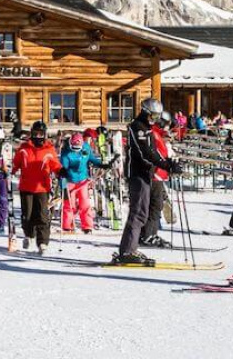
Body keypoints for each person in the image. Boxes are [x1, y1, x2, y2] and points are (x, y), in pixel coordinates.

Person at [114, 99, 181, 266]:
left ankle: (130, 248)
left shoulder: (148, 128)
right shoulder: (138, 127)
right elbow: (145, 153)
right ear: (145, 112)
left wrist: (169, 163)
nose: (155, 118)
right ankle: (127, 251)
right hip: (137, 174)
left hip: (145, 174)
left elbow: (154, 152)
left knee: (142, 212)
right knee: (138, 212)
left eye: (157, 116)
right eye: (153, 115)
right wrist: (166, 164)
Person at [13, 121, 60, 254]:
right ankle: (29, 235)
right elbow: (16, 164)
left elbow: (55, 164)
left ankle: (43, 242)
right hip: (26, 186)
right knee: (27, 215)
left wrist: (61, 171)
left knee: (42, 216)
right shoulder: (24, 148)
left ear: (44, 135)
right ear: (32, 134)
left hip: (42, 187)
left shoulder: (49, 149)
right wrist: (7, 170)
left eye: (41, 134)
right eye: (36, 134)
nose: (38, 136)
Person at [140, 112, 173, 248]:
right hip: (154, 175)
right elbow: (155, 155)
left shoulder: (156, 134)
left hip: (158, 174)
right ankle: (148, 235)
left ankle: (149, 234)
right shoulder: (153, 134)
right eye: (166, 125)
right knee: (155, 205)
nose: (167, 128)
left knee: (155, 205)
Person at [60, 132, 103, 233]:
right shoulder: (66, 152)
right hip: (69, 180)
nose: (76, 150)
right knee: (69, 204)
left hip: (82, 179)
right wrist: (63, 174)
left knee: (85, 203)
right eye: (74, 147)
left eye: (78, 148)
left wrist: (101, 164)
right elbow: (63, 166)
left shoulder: (86, 148)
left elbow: (91, 158)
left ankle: (87, 226)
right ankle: (67, 225)